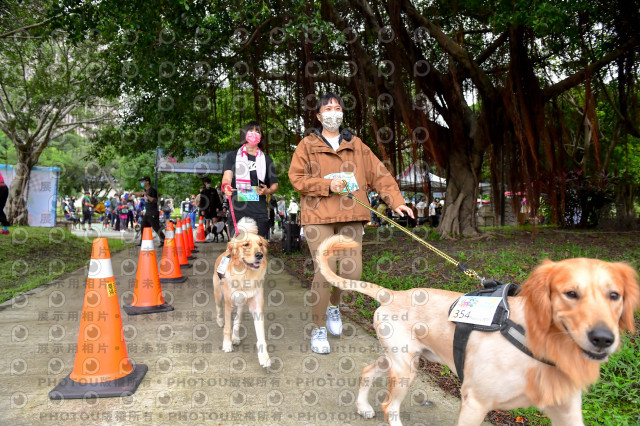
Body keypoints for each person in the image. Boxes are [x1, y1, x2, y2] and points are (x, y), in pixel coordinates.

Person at [288, 92, 413, 354]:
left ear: (342, 114)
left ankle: (333, 305)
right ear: (319, 116)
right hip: (319, 216)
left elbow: (380, 174)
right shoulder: (307, 145)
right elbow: (297, 178)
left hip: (352, 214)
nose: (333, 112)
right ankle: (318, 326)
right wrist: (326, 185)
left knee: (351, 272)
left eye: (337, 108)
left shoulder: (356, 144)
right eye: (328, 108)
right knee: (325, 271)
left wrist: (396, 201)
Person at [220, 121, 279, 239]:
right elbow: (227, 177)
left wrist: (267, 191)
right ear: (244, 134)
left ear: (261, 136)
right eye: (251, 131)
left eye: (258, 131)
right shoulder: (232, 156)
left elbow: (274, 185)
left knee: (257, 249)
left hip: (259, 212)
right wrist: (226, 186)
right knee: (238, 248)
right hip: (238, 211)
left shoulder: (267, 160)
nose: (254, 134)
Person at [133, 176, 165, 243]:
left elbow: (154, 200)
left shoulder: (152, 191)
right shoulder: (146, 191)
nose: (141, 183)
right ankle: (143, 242)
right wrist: (133, 193)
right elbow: (140, 194)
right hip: (147, 212)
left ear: (147, 182)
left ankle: (164, 240)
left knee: (156, 227)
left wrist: (147, 196)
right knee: (143, 227)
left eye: (143, 181)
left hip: (153, 212)